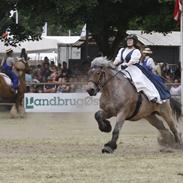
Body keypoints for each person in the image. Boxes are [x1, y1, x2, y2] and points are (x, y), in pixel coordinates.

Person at [113, 34, 170, 104]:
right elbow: (118, 59)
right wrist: (112, 65)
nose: (129, 41)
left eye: (131, 40)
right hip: (122, 68)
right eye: (128, 40)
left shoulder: (136, 51)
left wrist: (127, 64)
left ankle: (152, 96)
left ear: (134, 42)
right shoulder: (122, 50)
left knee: (139, 81)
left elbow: (133, 60)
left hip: (133, 68)